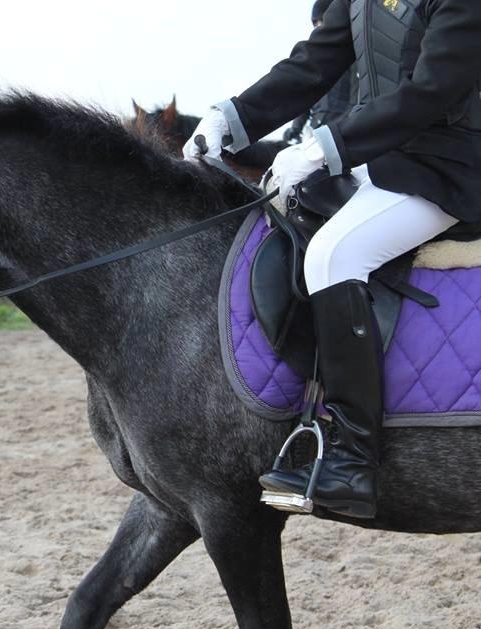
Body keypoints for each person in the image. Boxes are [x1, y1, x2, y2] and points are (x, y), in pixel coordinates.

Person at [183, 0, 481, 519]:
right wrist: (232, 119)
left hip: (450, 167)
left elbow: (433, 91)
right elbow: (315, 62)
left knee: (335, 254)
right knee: (283, 218)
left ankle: (352, 458)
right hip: (382, 157)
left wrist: (324, 148)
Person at [282, 0, 358, 144]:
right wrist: (296, 128)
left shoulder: (350, 54)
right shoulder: (314, 57)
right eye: (315, 23)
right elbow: (306, 95)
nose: (318, 27)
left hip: (339, 129)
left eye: (321, 21)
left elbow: (356, 99)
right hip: (315, 130)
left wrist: (341, 128)